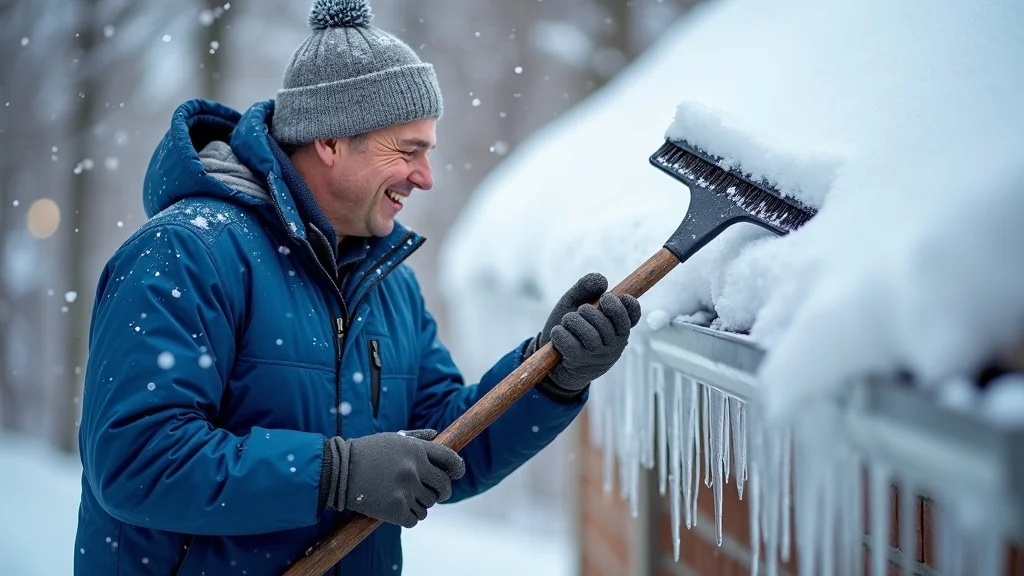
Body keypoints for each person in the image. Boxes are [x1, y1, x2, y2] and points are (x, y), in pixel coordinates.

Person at [73, 0, 641, 574]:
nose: (426, 176)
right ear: (330, 141)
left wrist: (548, 375)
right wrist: (335, 474)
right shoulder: (187, 253)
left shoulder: (389, 286)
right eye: (408, 150)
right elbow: (136, 459)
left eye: (429, 151)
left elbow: (443, 446)